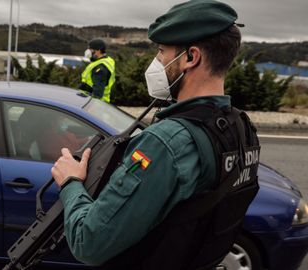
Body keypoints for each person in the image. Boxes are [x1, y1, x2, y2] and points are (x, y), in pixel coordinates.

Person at [51, 1, 261, 269]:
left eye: (162, 51)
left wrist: (70, 182)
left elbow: (88, 243)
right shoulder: (242, 129)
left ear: (190, 57)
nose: (157, 61)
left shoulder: (167, 142)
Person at [79, 39, 115, 103]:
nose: (88, 52)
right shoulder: (103, 61)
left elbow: (97, 94)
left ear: (98, 50)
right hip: (94, 101)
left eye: (91, 49)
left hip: (96, 103)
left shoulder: (100, 68)